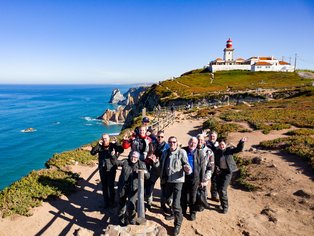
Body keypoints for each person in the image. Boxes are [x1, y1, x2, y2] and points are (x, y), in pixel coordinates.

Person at [154, 136, 191, 236]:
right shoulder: (165, 152)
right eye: (170, 142)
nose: (172, 143)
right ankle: (173, 214)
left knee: (176, 204)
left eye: (174, 142)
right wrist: (156, 162)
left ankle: (177, 224)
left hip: (177, 181)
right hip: (167, 181)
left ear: (177, 142)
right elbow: (161, 167)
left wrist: (187, 169)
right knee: (166, 199)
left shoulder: (181, 152)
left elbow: (186, 164)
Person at [111, 151, 150, 225]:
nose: (133, 158)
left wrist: (144, 171)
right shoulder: (125, 161)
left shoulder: (141, 164)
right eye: (132, 156)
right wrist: (113, 156)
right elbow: (115, 163)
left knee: (131, 205)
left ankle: (131, 219)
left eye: (135, 157)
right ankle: (121, 219)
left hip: (134, 188)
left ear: (138, 158)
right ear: (130, 156)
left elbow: (148, 177)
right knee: (121, 203)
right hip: (123, 186)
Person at [213, 137, 248, 214]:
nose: (221, 146)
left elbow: (238, 149)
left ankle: (225, 207)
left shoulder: (229, 150)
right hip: (220, 172)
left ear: (225, 145)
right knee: (219, 189)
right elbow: (214, 161)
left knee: (222, 190)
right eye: (220, 144)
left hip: (228, 172)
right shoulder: (217, 152)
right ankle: (222, 204)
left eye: (222, 144)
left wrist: (241, 142)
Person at [90, 134, 124, 209]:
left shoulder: (113, 145)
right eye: (103, 138)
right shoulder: (100, 146)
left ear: (109, 138)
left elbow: (121, 150)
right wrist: (97, 145)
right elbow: (92, 153)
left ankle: (112, 202)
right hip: (102, 169)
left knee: (111, 186)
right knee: (104, 187)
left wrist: (117, 143)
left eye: (106, 138)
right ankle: (106, 203)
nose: (104, 140)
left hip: (111, 168)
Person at [181, 137, 206, 221]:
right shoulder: (183, 150)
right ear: (188, 142)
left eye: (195, 143)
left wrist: (202, 180)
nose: (192, 144)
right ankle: (183, 210)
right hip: (183, 177)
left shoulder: (200, 153)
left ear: (197, 144)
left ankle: (192, 212)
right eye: (191, 142)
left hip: (195, 178)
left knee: (193, 196)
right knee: (183, 195)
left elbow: (203, 167)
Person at [145, 130, 169, 211]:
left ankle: (163, 204)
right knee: (150, 186)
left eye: (162, 136)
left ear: (164, 137)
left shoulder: (167, 146)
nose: (160, 138)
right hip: (154, 169)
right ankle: (149, 203)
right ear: (156, 136)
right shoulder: (152, 144)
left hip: (163, 170)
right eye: (158, 136)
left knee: (164, 188)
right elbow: (147, 152)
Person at [196, 133, 215, 210]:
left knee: (202, 190)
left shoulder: (209, 152)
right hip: (194, 176)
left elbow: (211, 166)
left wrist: (206, 179)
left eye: (201, 140)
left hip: (204, 175)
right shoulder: (192, 149)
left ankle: (202, 204)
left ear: (204, 141)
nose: (199, 141)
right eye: (198, 140)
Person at [205, 130, 220, 202]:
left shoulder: (219, 145)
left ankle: (214, 196)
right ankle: (203, 196)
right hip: (206, 165)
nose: (212, 137)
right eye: (211, 136)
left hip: (215, 165)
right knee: (204, 180)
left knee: (214, 182)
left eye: (213, 136)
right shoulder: (205, 144)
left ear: (216, 137)